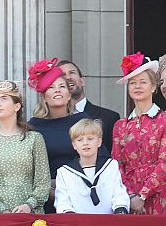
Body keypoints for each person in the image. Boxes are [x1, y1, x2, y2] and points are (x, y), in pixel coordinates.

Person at [27, 57, 106, 212]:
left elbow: (101, 158)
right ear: (44, 97)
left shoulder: (82, 121)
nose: (57, 90)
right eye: (51, 87)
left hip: (81, 192)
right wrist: (47, 192)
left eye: (62, 86)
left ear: (69, 95)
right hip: (45, 196)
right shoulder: (33, 126)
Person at [0, 80, 50, 214]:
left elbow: (43, 180)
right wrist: (1, 209)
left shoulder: (34, 138)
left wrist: (29, 204)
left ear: (17, 106)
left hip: (30, 213)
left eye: (3, 99)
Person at [111, 53, 166, 215]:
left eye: (143, 82)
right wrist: (130, 195)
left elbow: (164, 163)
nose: (137, 86)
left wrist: (142, 195)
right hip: (128, 198)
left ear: (154, 87)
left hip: (160, 196)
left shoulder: (164, 120)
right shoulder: (120, 126)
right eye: (132, 83)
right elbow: (117, 164)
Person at [55, 119, 129, 214]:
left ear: (99, 142)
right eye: (80, 140)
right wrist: (69, 215)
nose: (85, 143)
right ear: (74, 145)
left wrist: (120, 209)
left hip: (109, 222)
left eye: (90, 138)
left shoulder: (111, 166)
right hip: (78, 224)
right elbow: (63, 201)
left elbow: (119, 193)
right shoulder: (64, 172)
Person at [59, 60, 120, 147]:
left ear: (82, 81)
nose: (68, 77)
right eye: (63, 75)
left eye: (72, 72)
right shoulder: (51, 121)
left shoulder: (109, 118)